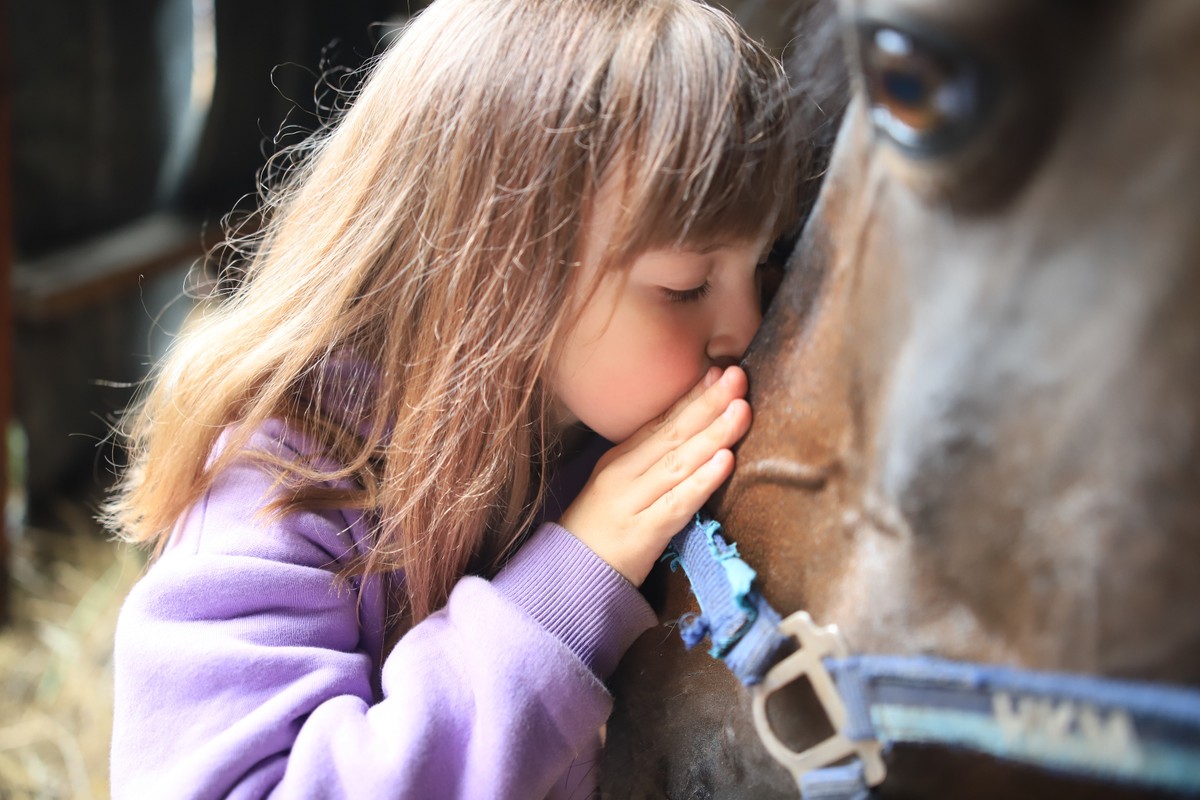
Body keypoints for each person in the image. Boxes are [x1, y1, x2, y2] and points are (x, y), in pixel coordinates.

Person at [106, 0, 801, 796]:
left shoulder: (609, 427)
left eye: (764, 261)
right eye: (686, 286)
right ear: (502, 269)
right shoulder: (285, 476)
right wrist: (573, 586)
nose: (744, 327)